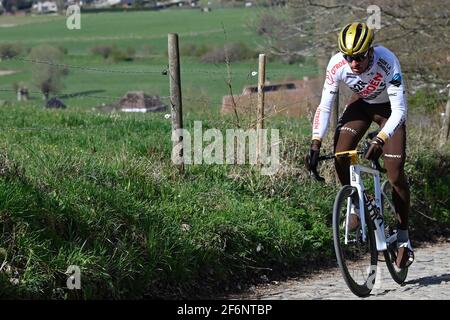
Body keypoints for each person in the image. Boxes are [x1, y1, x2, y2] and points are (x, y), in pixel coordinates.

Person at [306, 22, 414, 268]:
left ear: (371, 51)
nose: (353, 63)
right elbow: (324, 106)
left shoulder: (387, 61)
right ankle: (356, 202)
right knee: (340, 154)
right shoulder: (336, 65)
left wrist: (380, 139)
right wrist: (314, 143)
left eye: (359, 57)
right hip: (363, 105)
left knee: (396, 174)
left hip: (389, 112)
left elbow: (400, 111)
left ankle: (404, 237)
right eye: (348, 57)